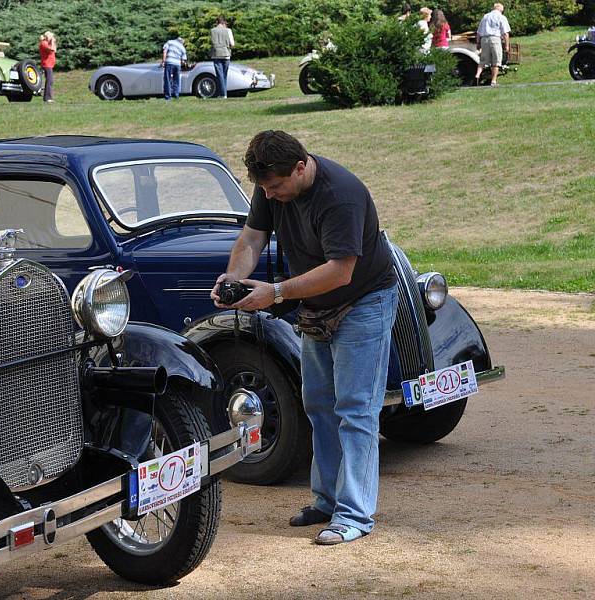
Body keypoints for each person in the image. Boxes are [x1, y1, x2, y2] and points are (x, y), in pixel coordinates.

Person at [210, 131, 398, 546]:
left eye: (276, 187)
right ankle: (326, 501)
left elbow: (341, 271)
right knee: (318, 404)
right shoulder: (271, 183)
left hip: (363, 301)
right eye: (263, 188)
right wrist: (234, 279)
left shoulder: (341, 195)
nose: (270, 195)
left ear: (300, 167)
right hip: (316, 304)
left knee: (356, 409)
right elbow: (251, 238)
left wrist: (274, 293)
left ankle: (354, 515)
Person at [475, 3, 511, 86]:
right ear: (501, 10)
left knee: (483, 60)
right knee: (496, 61)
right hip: (495, 39)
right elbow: (505, 33)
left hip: (484, 39)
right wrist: (506, 45)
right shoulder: (501, 17)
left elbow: (479, 32)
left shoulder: (485, 17)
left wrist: (478, 43)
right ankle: (493, 81)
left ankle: (477, 74)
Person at [209, 16, 235, 98]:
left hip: (216, 54)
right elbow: (232, 44)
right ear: (224, 22)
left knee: (219, 75)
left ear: (217, 22)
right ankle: (223, 94)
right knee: (224, 75)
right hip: (226, 54)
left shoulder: (212, 31)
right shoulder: (228, 30)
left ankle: (222, 94)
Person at [162, 35, 187, 101]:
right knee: (176, 80)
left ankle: (168, 97)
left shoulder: (169, 42)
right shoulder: (182, 48)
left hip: (169, 62)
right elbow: (183, 60)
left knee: (167, 79)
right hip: (177, 65)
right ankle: (176, 95)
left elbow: (164, 51)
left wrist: (163, 61)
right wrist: (183, 64)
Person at [39, 31, 57, 102]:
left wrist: (53, 42)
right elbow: (52, 49)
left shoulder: (46, 43)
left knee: (50, 81)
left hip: (49, 65)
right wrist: (52, 41)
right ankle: (47, 98)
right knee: (49, 81)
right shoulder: (44, 43)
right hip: (47, 65)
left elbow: (54, 50)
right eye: (51, 37)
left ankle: (47, 97)